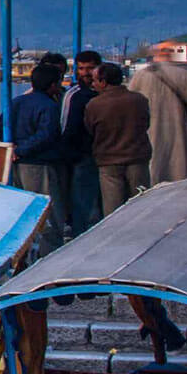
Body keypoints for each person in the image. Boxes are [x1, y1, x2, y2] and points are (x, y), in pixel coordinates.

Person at [8, 62, 70, 250]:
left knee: (23, 213)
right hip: (38, 165)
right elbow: (46, 135)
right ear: (53, 85)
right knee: (47, 214)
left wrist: (11, 150)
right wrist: (20, 151)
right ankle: (48, 253)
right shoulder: (49, 106)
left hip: (15, 166)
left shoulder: (16, 102)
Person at [132, 42, 187, 184]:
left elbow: (130, 103)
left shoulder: (140, 76)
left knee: (152, 169)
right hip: (178, 132)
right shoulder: (185, 76)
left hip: (147, 132)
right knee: (177, 168)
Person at [84, 62, 151, 217]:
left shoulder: (94, 105)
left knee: (113, 210)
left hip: (108, 161)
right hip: (137, 158)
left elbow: (90, 130)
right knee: (140, 205)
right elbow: (145, 124)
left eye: (95, 80)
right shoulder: (139, 100)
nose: (93, 84)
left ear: (103, 82)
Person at [59, 50, 103, 237]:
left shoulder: (104, 93)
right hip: (82, 158)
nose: (85, 72)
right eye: (82, 68)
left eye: (90, 68)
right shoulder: (74, 95)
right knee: (83, 205)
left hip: (105, 155)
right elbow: (65, 127)